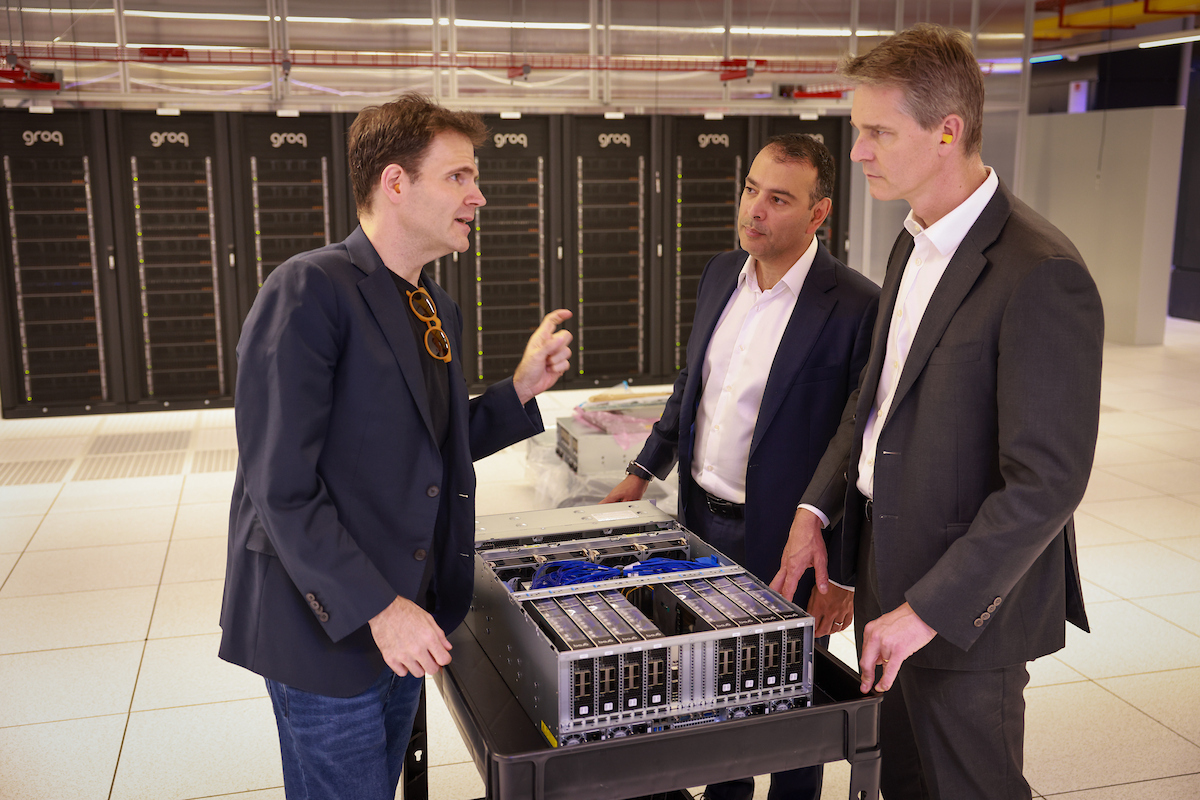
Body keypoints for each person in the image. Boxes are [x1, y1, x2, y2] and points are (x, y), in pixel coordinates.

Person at [776, 24, 1104, 800]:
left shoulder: (1040, 272)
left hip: (966, 606)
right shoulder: (912, 243)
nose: (858, 153)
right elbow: (876, 399)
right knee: (906, 782)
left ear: (948, 131)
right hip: (888, 575)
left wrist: (929, 608)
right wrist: (814, 508)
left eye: (878, 133)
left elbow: (1046, 484)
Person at [218, 92, 572, 800]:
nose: (478, 195)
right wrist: (381, 608)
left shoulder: (432, 304)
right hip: (327, 626)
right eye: (459, 177)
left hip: (403, 616)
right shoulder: (309, 291)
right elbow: (279, 486)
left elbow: (436, 444)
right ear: (395, 182)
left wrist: (521, 390)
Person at [603, 133, 879, 800]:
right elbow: (689, 391)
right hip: (700, 529)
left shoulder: (855, 306)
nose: (755, 208)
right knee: (711, 697)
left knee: (788, 707)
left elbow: (859, 442)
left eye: (779, 198)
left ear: (818, 214)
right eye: (752, 189)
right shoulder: (719, 272)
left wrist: (839, 575)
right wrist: (642, 471)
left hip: (786, 543)